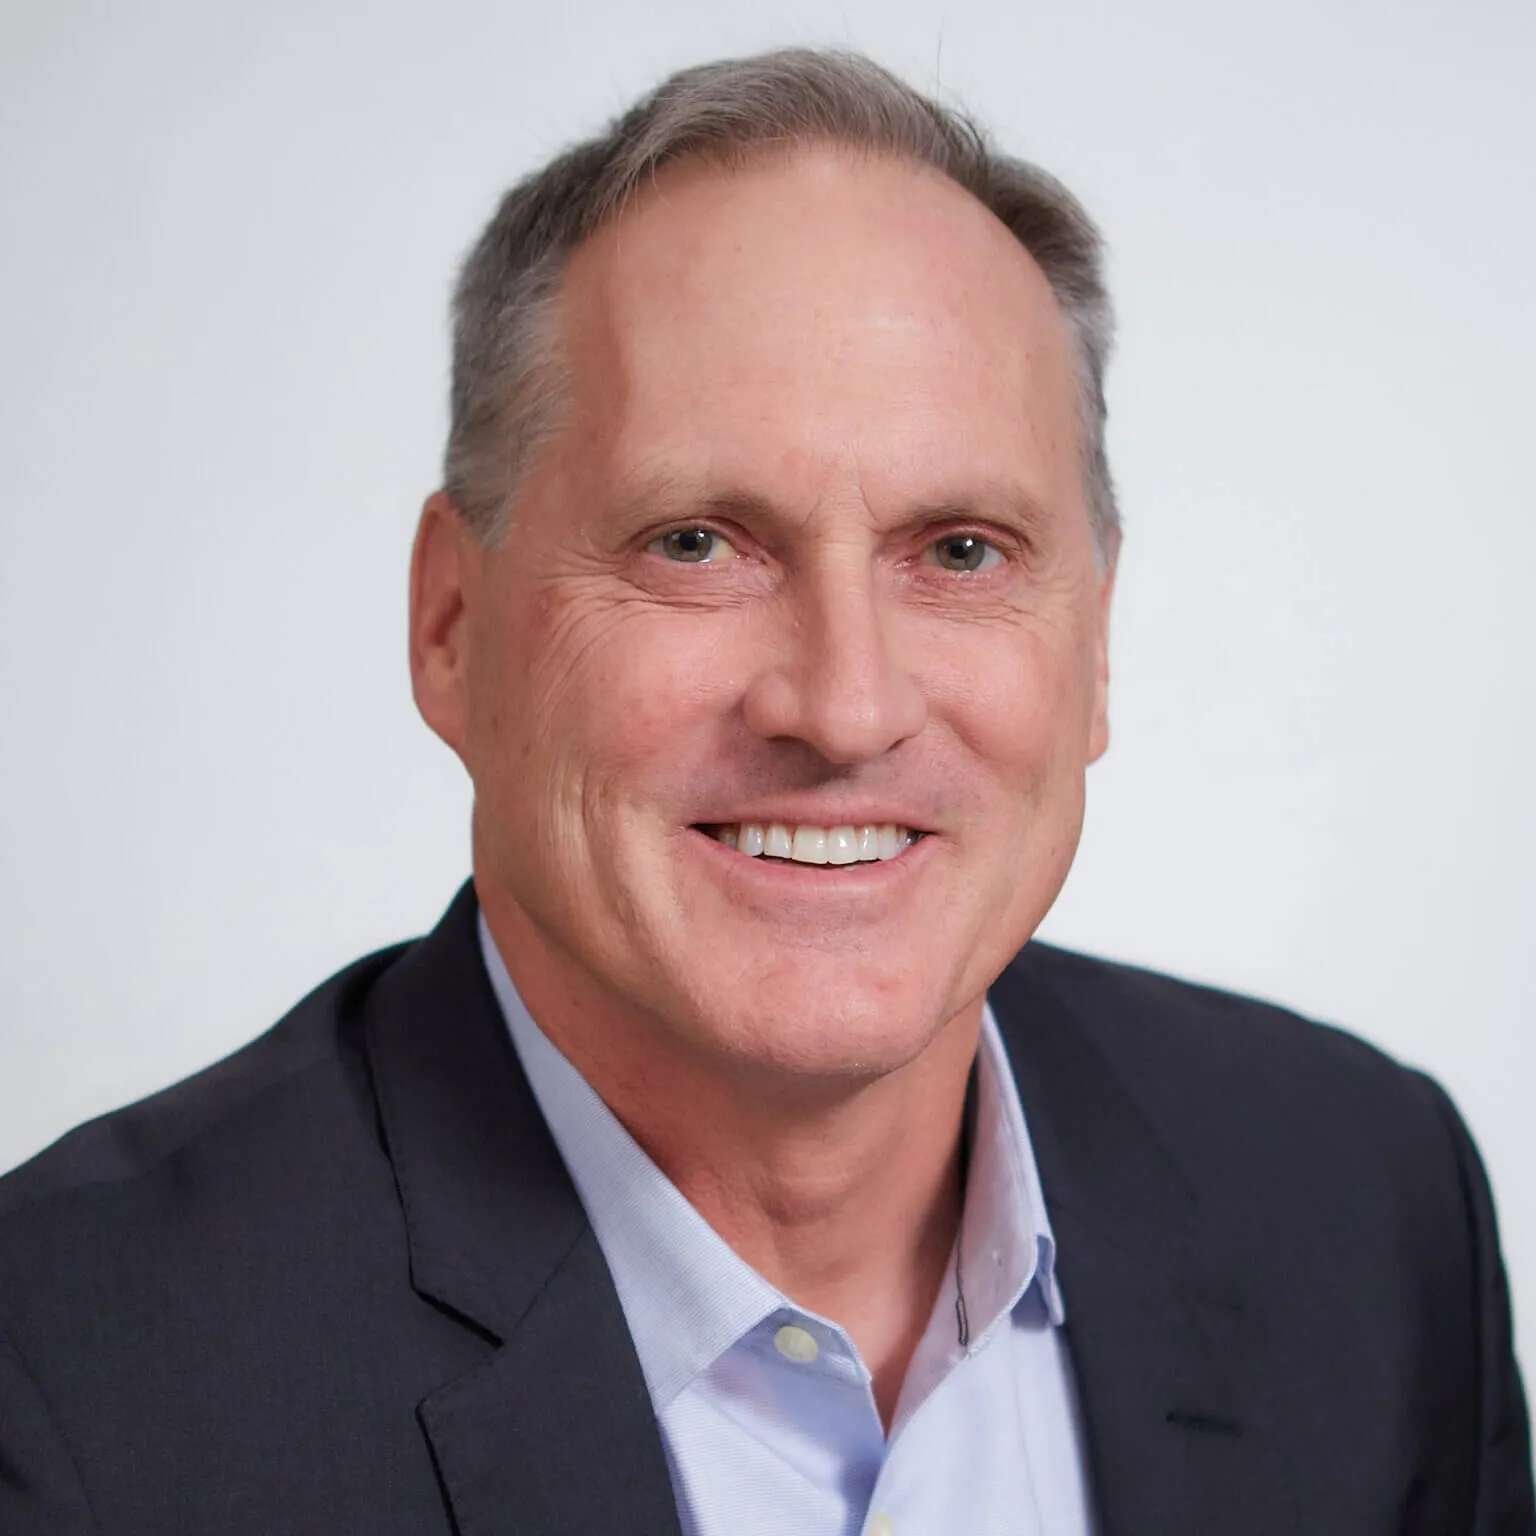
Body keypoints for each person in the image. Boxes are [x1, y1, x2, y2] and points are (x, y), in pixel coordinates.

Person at [0, 46, 1529, 1536]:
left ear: (1099, 645)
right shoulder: (68, 1383)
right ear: (450, 626)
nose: (845, 706)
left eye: (962, 551)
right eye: (696, 543)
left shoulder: (1369, 1212)